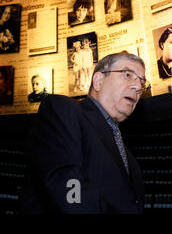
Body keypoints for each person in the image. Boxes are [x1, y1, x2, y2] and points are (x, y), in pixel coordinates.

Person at [22, 52, 148, 213]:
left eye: (142, 82)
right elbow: (68, 191)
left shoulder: (129, 157)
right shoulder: (63, 110)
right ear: (99, 80)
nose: (138, 87)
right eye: (128, 74)